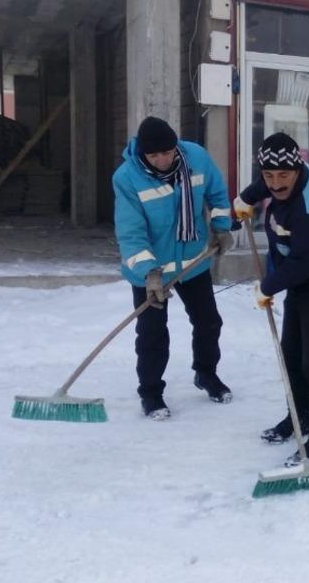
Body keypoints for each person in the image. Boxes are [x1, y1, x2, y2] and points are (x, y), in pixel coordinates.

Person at [233, 132, 309, 466]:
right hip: (300, 277)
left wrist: (268, 286)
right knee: (292, 354)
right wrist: (247, 198)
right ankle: (300, 415)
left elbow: (304, 263)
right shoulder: (280, 177)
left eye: (283, 176)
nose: (275, 184)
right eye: (268, 176)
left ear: (298, 169)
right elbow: (266, 184)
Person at [112, 116, 235, 419]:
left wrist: (221, 226)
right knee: (153, 333)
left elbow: (217, 194)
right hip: (152, 271)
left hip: (192, 262)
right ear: (143, 154)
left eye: (167, 152)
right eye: (154, 155)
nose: (163, 160)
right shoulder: (127, 178)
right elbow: (131, 232)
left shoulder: (196, 158)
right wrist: (149, 273)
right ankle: (151, 393)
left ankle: (206, 374)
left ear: (176, 146)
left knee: (209, 322)